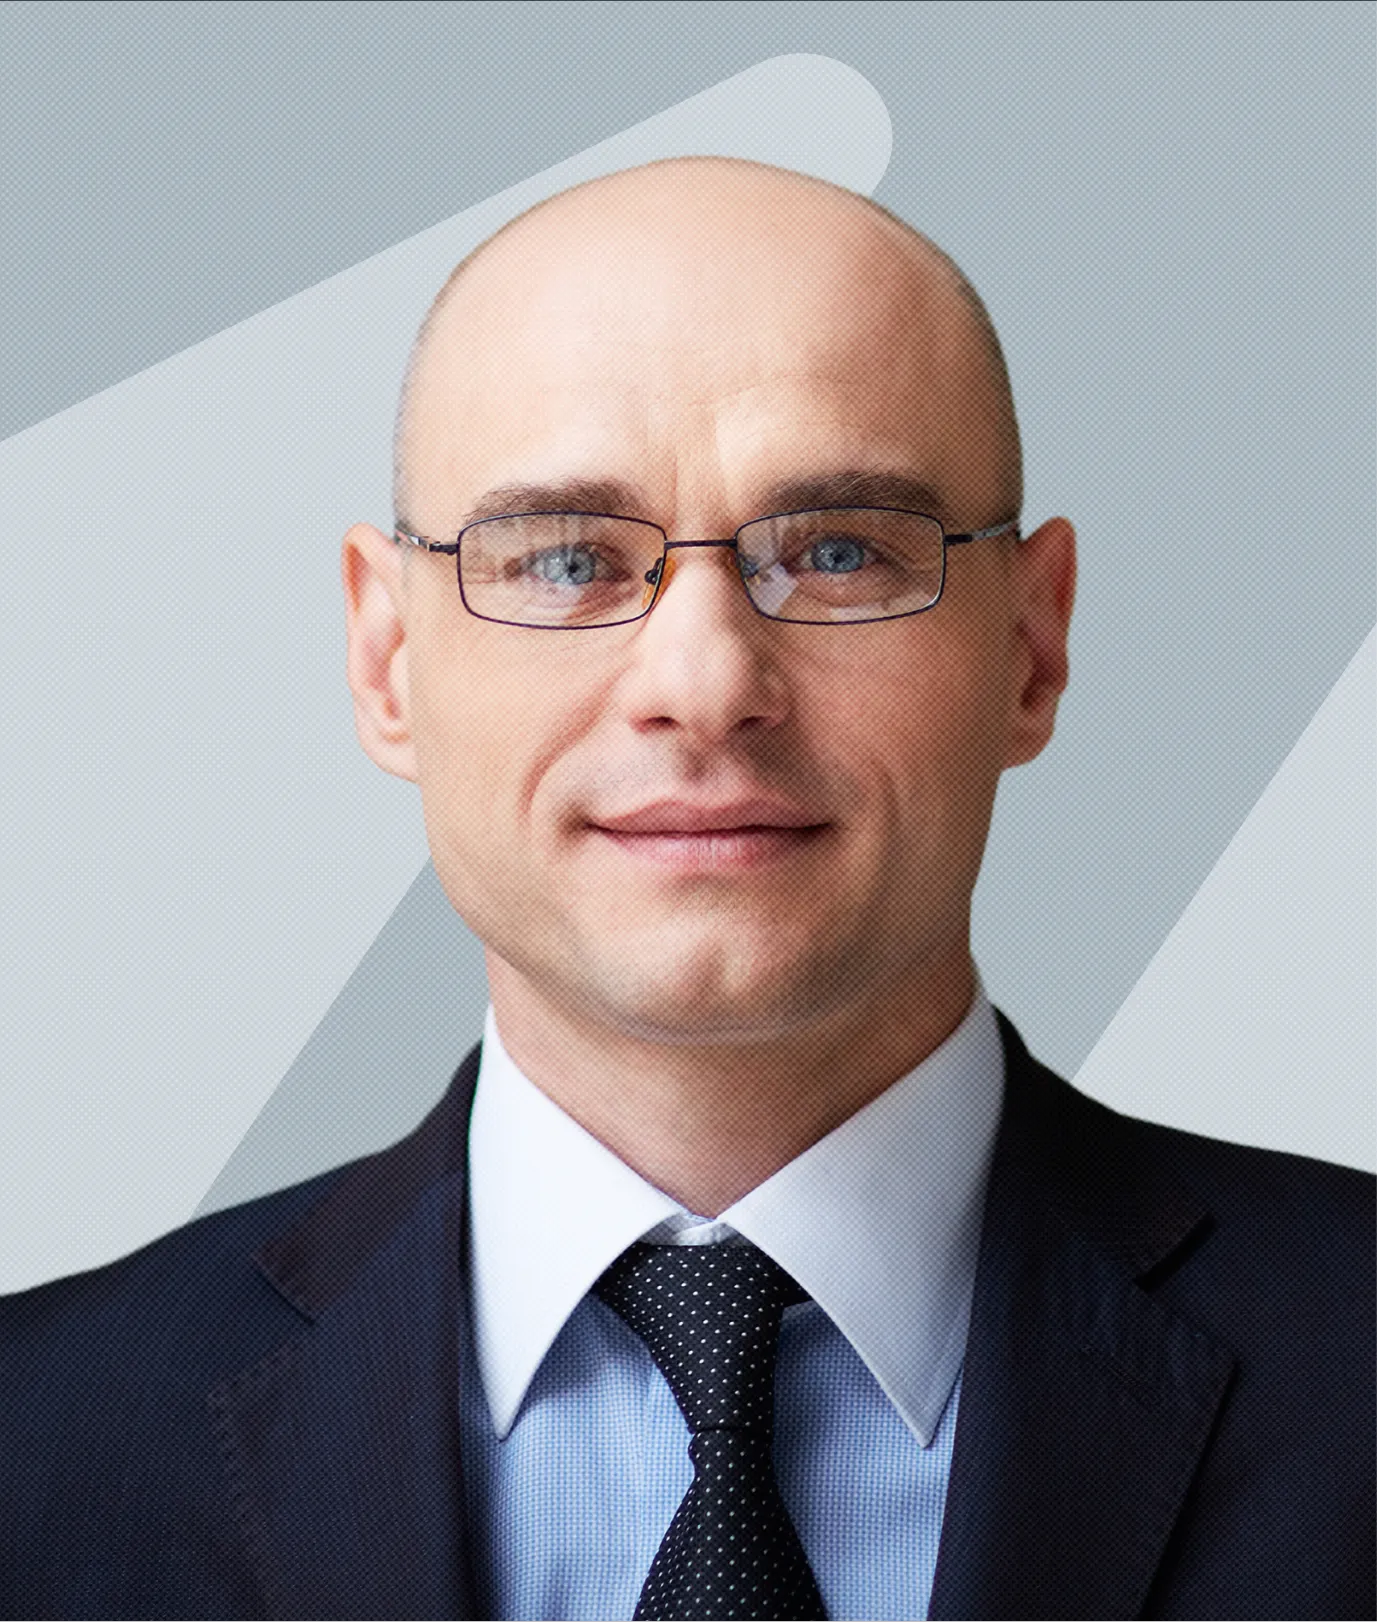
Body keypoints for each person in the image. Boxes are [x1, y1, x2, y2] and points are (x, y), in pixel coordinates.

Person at [2, 157, 1375, 1622]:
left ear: (1031, 647)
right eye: (570, 560)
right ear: (387, 661)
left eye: (841, 550)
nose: (706, 683)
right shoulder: (39, 1444)